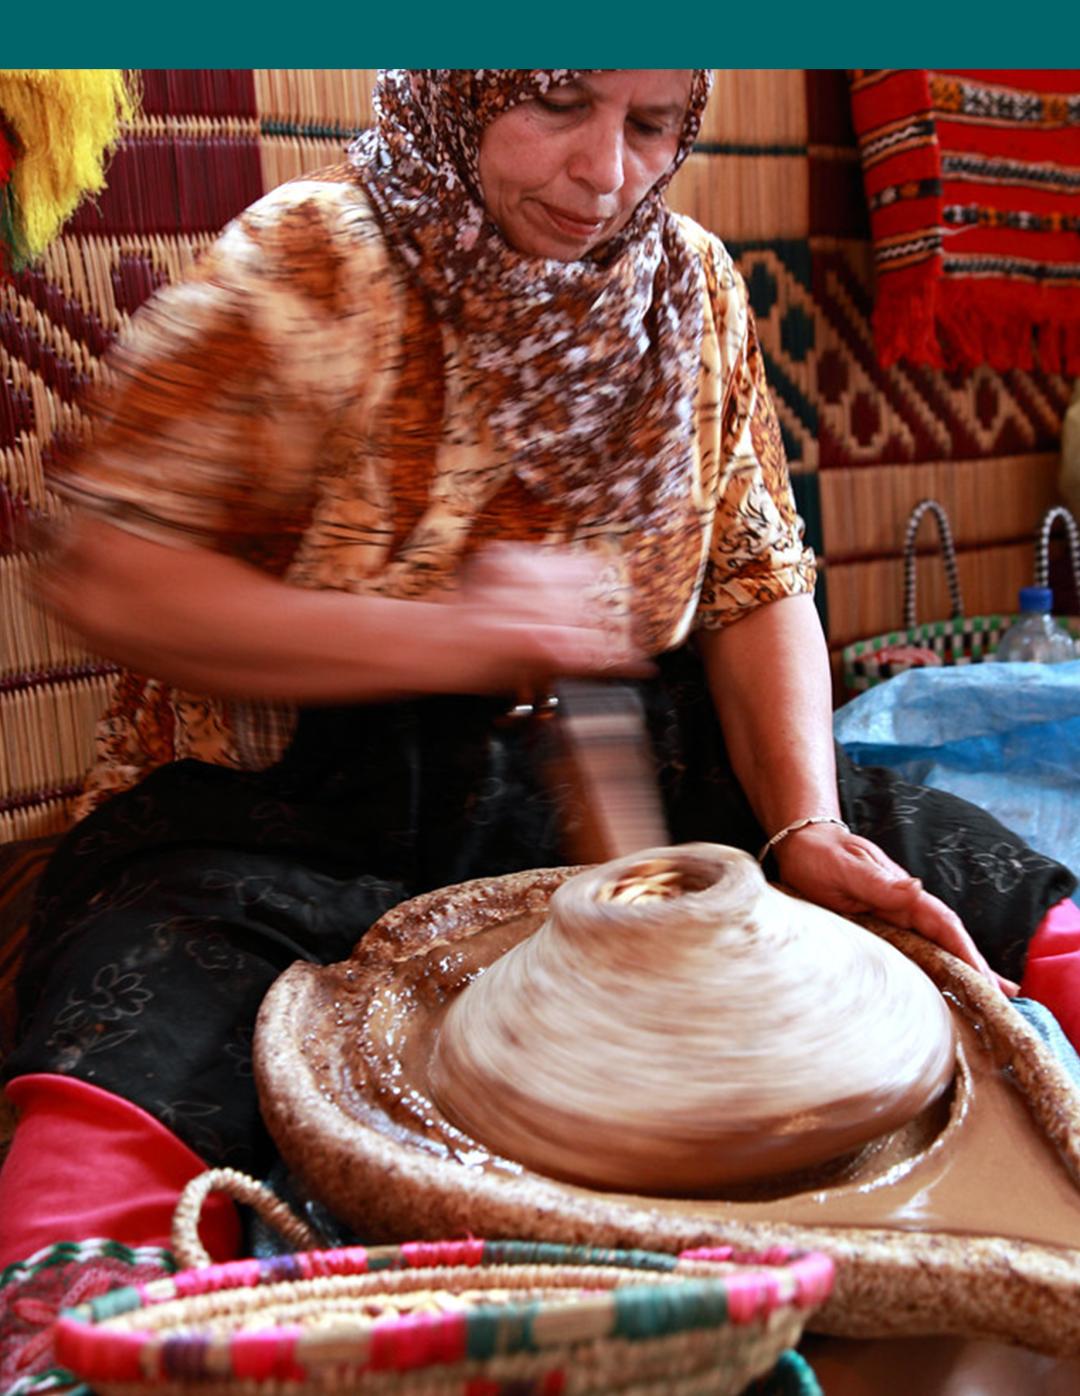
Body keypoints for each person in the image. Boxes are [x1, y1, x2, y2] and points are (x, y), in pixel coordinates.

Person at [1, 69, 1076, 1294]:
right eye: (558, 103)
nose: (605, 173)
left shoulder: (691, 287)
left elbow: (754, 575)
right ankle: (73, 1319)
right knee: (151, 999)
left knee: (932, 869)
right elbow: (109, 571)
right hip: (302, 806)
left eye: (651, 124)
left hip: (620, 771)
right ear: (468, 84)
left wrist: (805, 824)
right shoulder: (315, 262)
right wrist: (456, 637)